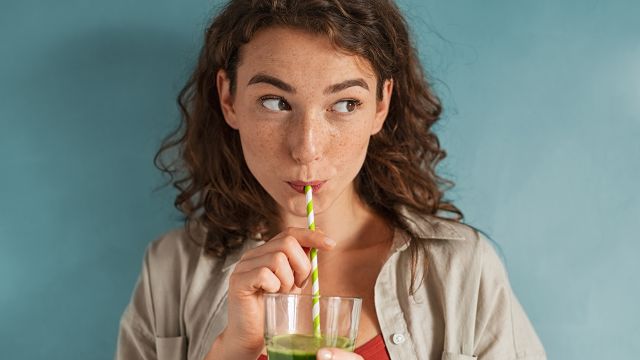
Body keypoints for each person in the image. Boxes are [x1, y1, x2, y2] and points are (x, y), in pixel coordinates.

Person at [116, 0, 547, 359]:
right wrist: (231, 350)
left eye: (344, 104)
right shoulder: (169, 271)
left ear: (381, 106)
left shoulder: (462, 268)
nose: (306, 148)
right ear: (229, 99)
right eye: (274, 101)